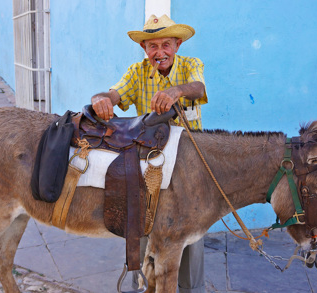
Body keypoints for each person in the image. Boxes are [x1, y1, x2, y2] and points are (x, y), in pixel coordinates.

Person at [90, 14, 207, 293]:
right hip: (149, 159)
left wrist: (176, 91)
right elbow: (116, 94)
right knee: (140, 220)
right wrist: (102, 99)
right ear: (145, 50)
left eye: (166, 45)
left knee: (191, 228)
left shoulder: (191, 65)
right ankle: (139, 284)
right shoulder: (137, 71)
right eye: (152, 46)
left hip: (188, 161)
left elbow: (198, 87)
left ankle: (191, 288)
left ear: (177, 45)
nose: (159, 53)